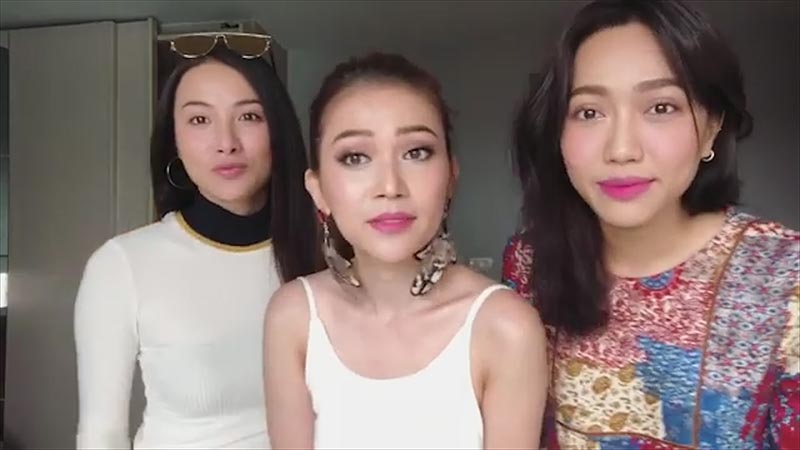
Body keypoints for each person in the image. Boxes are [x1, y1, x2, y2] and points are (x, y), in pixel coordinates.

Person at [502, 1, 799, 448]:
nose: (622, 149)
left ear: (711, 128)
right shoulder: (529, 264)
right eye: (588, 112)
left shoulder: (784, 276)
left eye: (661, 107)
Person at [263, 53, 548, 449]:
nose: (390, 186)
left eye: (416, 152)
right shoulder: (294, 317)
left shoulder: (505, 327)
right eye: (355, 157)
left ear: (450, 177)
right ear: (318, 190)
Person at [74, 38, 319, 449]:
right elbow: (102, 435)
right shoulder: (122, 264)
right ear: (174, 139)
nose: (226, 142)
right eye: (200, 120)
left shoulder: (327, 254)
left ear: (278, 131)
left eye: (249, 116)